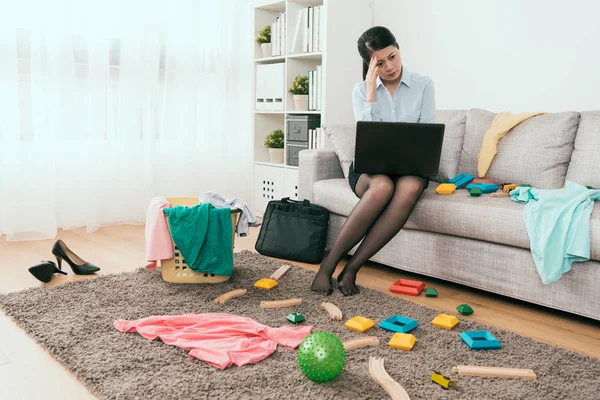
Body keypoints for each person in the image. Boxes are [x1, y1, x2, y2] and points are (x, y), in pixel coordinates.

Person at [311, 26, 436, 296]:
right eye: (380, 62)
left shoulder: (424, 85)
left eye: (392, 56)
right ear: (369, 64)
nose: (390, 66)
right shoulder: (360, 91)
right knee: (382, 188)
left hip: (410, 167)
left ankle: (352, 269)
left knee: (411, 187)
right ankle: (326, 268)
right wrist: (371, 91)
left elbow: (426, 133)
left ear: (398, 48)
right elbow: (367, 137)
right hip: (372, 168)